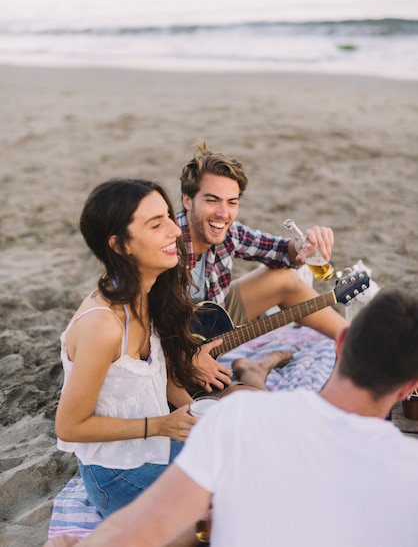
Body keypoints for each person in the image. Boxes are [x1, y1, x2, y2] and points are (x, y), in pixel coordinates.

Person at [43, 287, 418, 547]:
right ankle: (255, 373)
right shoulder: (409, 473)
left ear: (340, 341)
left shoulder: (240, 418)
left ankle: (255, 374)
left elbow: (145, 525)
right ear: (409, 388)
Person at [54, 178, 203, 546]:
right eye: (156, 225)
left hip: (159, 447)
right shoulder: (103, 326)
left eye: (169, 217)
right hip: (118, 473)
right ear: (119, 245)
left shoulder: (149, 291)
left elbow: (161, 374)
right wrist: (162, 425)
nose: (174, 229)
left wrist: (203, 415)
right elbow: (69, 426)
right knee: (219, 520)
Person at [178, 140, 348, 391]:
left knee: (285, 279)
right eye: (212, 200)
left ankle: (358, 343)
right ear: (187, 200)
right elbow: (144, 336)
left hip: (210, 319)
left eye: (232, 202)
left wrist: (304, 246)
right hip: (172, 345)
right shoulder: (167, 246)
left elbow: (280, 251)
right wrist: (188, 360)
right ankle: (252, 371)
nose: (223, 213)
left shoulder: (228, 232)